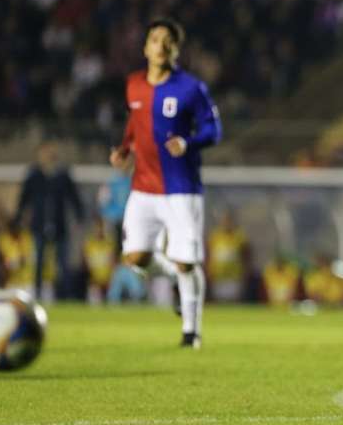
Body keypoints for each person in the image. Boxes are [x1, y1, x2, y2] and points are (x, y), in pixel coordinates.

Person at [110, 18, 222, 348]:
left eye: (167, 40)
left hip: (181, 188)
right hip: (143, 187)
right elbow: (135, 124)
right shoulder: (133, 85)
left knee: (188, 261)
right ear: (145, 47)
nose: (160, 44)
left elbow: (213, 130)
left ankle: (192, 332)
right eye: (154, 39)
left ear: (175, 49)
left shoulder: (191, 88)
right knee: (135, 259)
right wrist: (124, 149)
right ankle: (174, 276)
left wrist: (187, 143)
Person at [14, 141, 84, 301]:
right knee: (38, 262)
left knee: (63, 263)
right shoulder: (34, 175)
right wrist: (19, 216)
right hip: (38, 226)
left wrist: (79, 214)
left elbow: (73, 197)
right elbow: (24, 198)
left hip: (59, 225)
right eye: (45, 153)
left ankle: (65, 295)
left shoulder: (62, 175)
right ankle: (37, 293)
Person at [207, 210, 250, 302]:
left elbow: (246, 256)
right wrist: (209, 271)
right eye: (225, 221)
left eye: (229, 221)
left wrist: (245, 272)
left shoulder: (240, 237)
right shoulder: (215, 236)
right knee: (218, 301)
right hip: (219, 276)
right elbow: (209, 255)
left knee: (234, 301)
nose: (227, 223)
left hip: (234, 276)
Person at [82, 216, 116, 304]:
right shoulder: (89, 244)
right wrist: (95, 280)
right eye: (96, 228)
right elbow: (87, 266)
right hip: (94, 282)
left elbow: (112, 264)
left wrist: (108, 280)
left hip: (108, 282)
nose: (99, 230)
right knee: (94, 300)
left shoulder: (109, 243)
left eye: (101, 227)